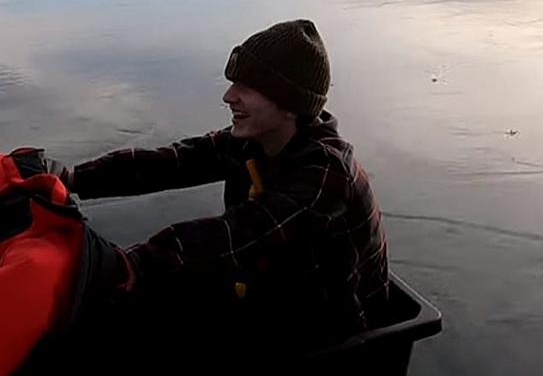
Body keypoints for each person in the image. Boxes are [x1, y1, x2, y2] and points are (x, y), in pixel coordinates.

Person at [69, 19, 389, 351]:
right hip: (281, 293)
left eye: (247, 87)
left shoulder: (327, 173)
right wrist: (72, 178)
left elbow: (242, 234)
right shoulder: (255, 141)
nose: (228, 96)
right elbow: (172, 162)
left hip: (333, 330)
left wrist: (130, 264)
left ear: (289, 103)